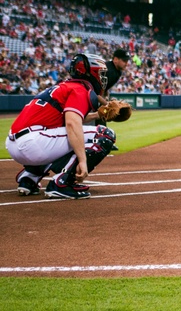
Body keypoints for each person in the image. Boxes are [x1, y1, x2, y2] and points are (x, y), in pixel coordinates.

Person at [6, 53, 117, 200]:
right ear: (91, 72)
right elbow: (72, 124)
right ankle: (62, 183)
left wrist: (97, 115)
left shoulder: (64, 86)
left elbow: (66, 119)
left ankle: (29, 178)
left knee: (61, 137)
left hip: (15, 143)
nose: (103, 78)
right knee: (105, 135)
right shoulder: (80, 89)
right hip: (34, 143)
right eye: (101, 73)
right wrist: (82, 160)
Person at [94, 48, 130, 127]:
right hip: (86, 97)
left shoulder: (117, 71)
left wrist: (107, 98)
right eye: (124, 61)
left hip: (94, 97)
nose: (126, 63)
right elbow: (94, 92)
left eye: (127, 61)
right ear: (116, 59)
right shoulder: (108, 70)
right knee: (99, 128)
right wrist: (108, 105)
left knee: (101, 125)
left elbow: (104, 88)